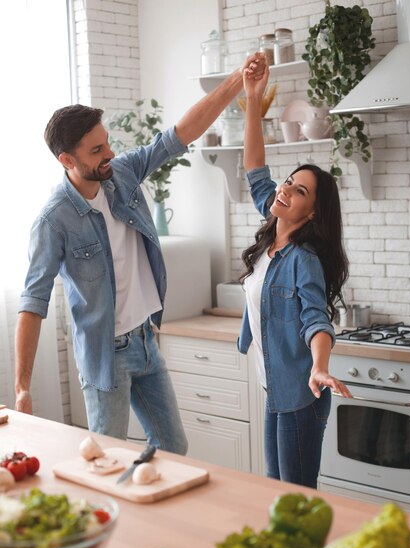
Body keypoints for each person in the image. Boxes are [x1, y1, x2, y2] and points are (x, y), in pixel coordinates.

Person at [15, 53, 266, 454]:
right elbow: (32, 303)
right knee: (105, 455)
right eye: (97, 150)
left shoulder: (121, 174)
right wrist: (23, 387)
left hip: (147, 340)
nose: (109, 153)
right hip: (105, 357)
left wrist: (239, 81)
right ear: (67, 160)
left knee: (172, 449)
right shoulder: (54, 220)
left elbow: (180, 133)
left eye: (107, 142)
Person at [238, 60, 352, 488]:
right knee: (277, 491)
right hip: (275, 390)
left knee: (297, 498)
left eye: (299, 190)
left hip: (302, 396)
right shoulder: (273, 226)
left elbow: (315, 319)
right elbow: (254, 167)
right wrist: (252, 100)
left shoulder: (303, 258)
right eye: (288, 181)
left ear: (313, 211)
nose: (284, 189)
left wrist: (320, 366)